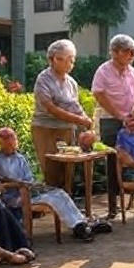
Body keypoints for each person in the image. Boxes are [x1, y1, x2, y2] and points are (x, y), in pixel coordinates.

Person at [0, 128, 111, 242]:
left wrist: (31, 185)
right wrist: (16, 183)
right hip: (13, 196)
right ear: (1, 142)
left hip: (28, 190)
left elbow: (29, 178)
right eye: (9, 140)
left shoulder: (20, 158)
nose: (13, 143)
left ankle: (81, 224)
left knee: (60, 193)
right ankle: (80, 226)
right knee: (52, 198)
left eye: (14, 139)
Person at [91, 33, 134, 215]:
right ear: (116, 52)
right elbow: (99, 95)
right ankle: (113, 206)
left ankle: (133, 199)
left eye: (133, 53)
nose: (132, 56)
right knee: (113, 162)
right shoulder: (103, 71)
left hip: (130, 122)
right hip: (110, 121)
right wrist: (120, 116)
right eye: (128, 52)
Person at [31, 38, 95, 186]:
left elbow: (76, 106)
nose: (68, 63)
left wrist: (87, 122)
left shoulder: (71, 82)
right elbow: (51, 109)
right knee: (51, 171)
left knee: (67, 172)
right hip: (46, 128)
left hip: (66, 129)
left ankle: (66, 203)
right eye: (62, 59)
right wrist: (80, 120)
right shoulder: (43, 79)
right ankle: (51, 205)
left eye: (71, 60)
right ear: (52, 59)